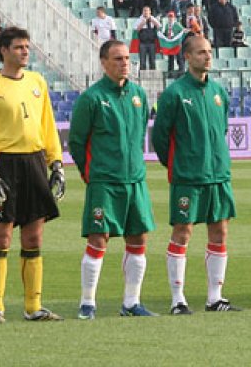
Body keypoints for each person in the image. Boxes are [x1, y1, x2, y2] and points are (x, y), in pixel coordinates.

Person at [0, 27, 66, 323]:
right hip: (5, 165)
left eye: (27, 47)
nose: (25, 52)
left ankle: (33, 306)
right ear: (4, 50)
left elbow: (47, 124)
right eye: (19, 47)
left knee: (34, 236)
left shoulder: (37, 82)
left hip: (35, 162)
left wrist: (57, 163)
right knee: (2, 236)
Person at [152, 35, 242, 314]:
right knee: (183, 232)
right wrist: (181, 164)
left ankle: (215, 298)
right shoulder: (174, 93)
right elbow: (160, 138)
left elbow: (222, 129)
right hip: (189, 177)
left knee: (220, 231)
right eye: (201, 52)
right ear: (187, 57)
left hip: (218, 175)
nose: (208, 56)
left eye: (210, 52)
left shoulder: (219, 92)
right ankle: (178, 299)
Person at [69, 40, 156, 319]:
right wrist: (92, 174)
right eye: (117, 59)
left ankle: (131, 302)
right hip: (105, 182)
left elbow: (141, 131)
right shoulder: (91, 99)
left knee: (138, 238)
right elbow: (77, 142)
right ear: (104, 62)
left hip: (135, 181)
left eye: (127, 59)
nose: (124, 63)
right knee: (98, 239)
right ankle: (87, 303)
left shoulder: (139, 95)